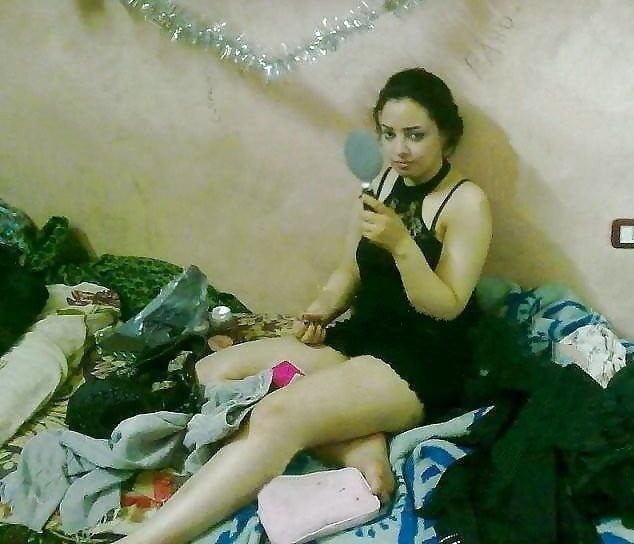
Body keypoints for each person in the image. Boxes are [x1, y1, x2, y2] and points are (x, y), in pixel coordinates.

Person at [119, 68, 493, 544]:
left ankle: (149, 539)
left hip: (422, 359)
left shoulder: (466, 202)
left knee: (276, 416)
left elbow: (447, 306)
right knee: (213, 372)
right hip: (362, 338)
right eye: (388, 134)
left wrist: (403, 246)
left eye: (416, 135)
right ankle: (358, 443)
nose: (400, 149)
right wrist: (318, 312)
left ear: (446, 136)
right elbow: (349, 270)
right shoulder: (381, 184)